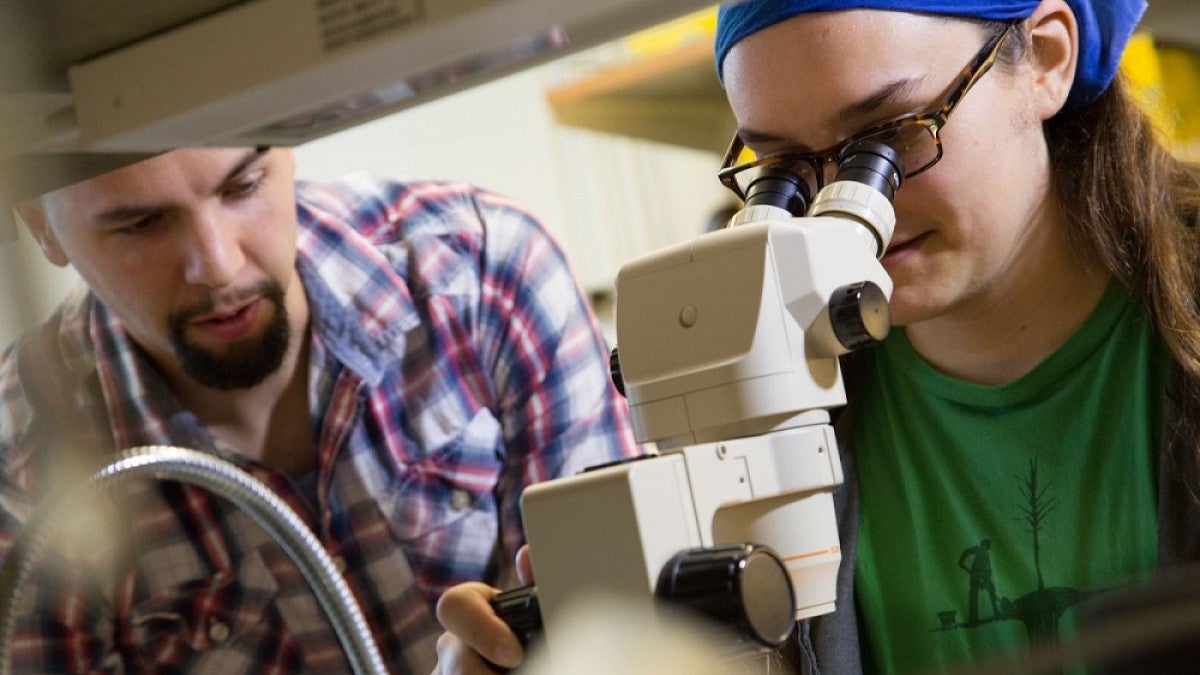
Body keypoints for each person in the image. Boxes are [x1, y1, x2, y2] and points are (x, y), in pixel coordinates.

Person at [434, 0, 1200, 672]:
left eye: (889, 135)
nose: (841, 205)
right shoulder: (774, 387)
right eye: (784, 167)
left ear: (1046, 57)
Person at [0, 146, 639, 673]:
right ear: (39, 224)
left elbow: (633, 631)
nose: (218, 266)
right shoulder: (23, 462)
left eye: (244, 185)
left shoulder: (483, 274)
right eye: (141, 224)